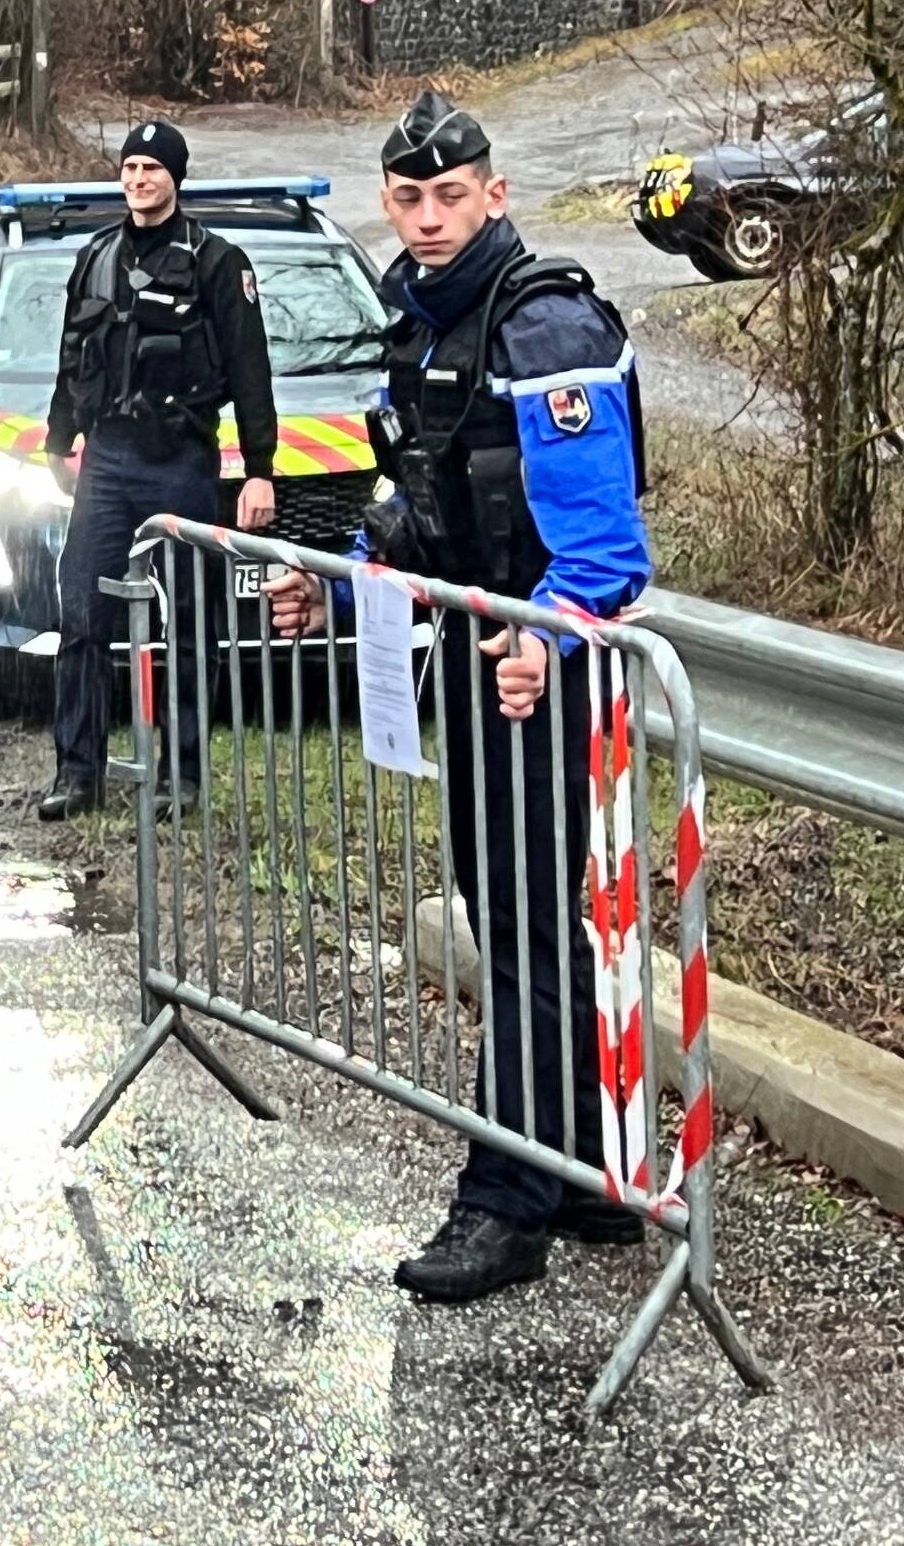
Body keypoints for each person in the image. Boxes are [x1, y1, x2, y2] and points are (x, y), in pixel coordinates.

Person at [268, 88, 654, 1301]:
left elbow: (606, 547)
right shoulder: (418, 322)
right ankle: (586, 1173)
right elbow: (427, 516)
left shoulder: (543, 329)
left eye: (450, 197)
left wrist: (558, 638)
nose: (428, 219)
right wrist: (334, 595)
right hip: (483, 667)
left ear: (496, 195)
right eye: (409, 199)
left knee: (532, 933)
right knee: (516, 923)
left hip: (545, 676)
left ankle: (504, 1206)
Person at [36, 120, 280, 822]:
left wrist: (260, 469)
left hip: (181, 458)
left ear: (176, 177)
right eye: (131, 167)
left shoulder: (215, 262)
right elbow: (72, 360)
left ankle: (183, 776)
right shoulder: (94, 258)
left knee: (192, 626)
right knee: (81, 612)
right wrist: (60, 443)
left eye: (152, 168)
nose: (139, 179)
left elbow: (251, 372)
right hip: (108, 460)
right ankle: (77, 773)